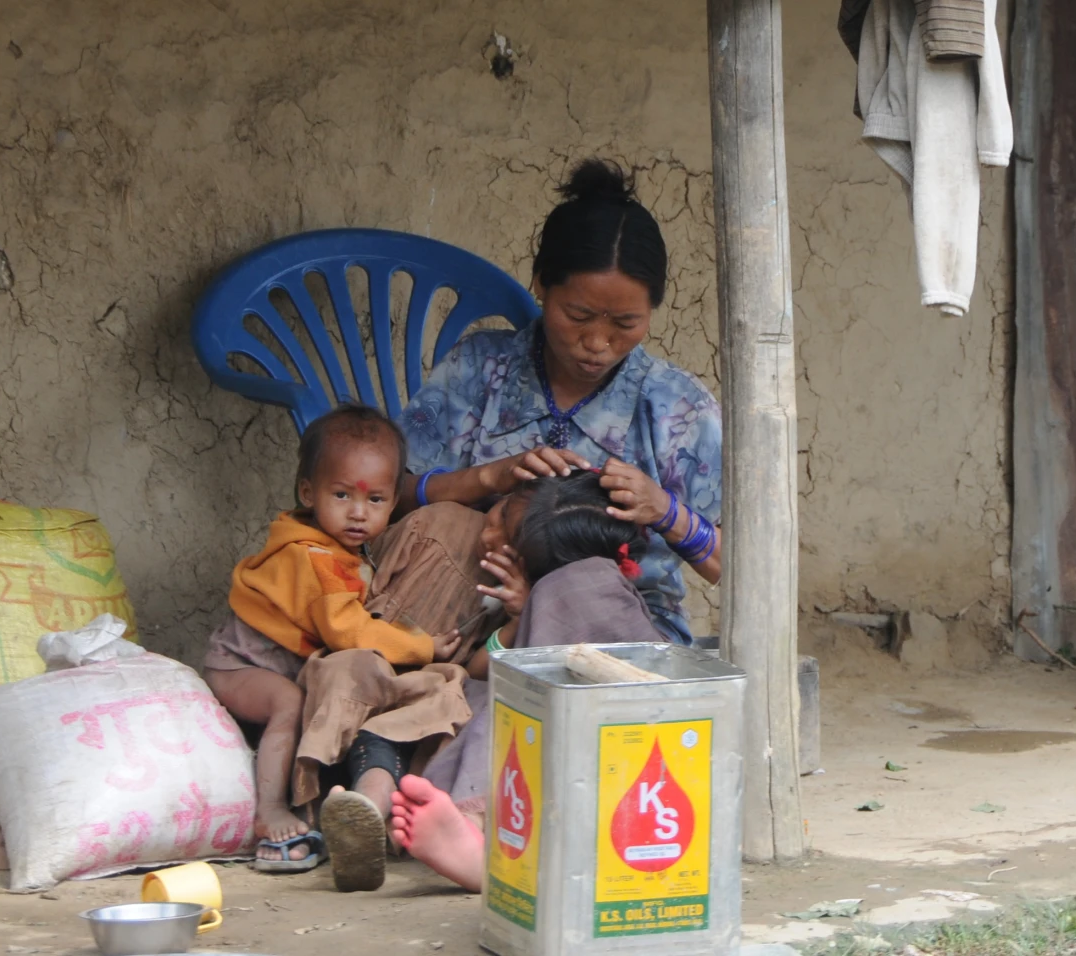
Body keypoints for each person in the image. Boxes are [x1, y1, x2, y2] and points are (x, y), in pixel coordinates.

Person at [399, 160, 726, 641]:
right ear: (540, 285)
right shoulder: (476, 371)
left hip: (618, 636)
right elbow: (383, 502)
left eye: (625, 324)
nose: (596, 342)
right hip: (458, 621)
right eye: (578, 315)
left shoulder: (677, 410)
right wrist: (484, 478)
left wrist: (665, 511)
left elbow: (743, 572)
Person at [202, 407, 449, 882]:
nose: (359, 513)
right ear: (307, 492)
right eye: (342, 495)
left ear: (394, 501)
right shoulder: (314, 558)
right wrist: (424, 647)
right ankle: (270, 809)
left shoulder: (334, 545)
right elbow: (348, 632)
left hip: (269, 660)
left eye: (375, 500)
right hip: (239, 667)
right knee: (289, 703)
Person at [393, 472, 660, 892]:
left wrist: (537, 599)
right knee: (487, 697)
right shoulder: (535, 596)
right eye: (498, 511)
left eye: (505, 538)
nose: (489, 534)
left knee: (513, 702)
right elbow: (488, 669)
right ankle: (478, 834)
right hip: (565, 739)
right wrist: (521, 617)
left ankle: (481, 840)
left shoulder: (581, 583)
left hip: (625, 735)